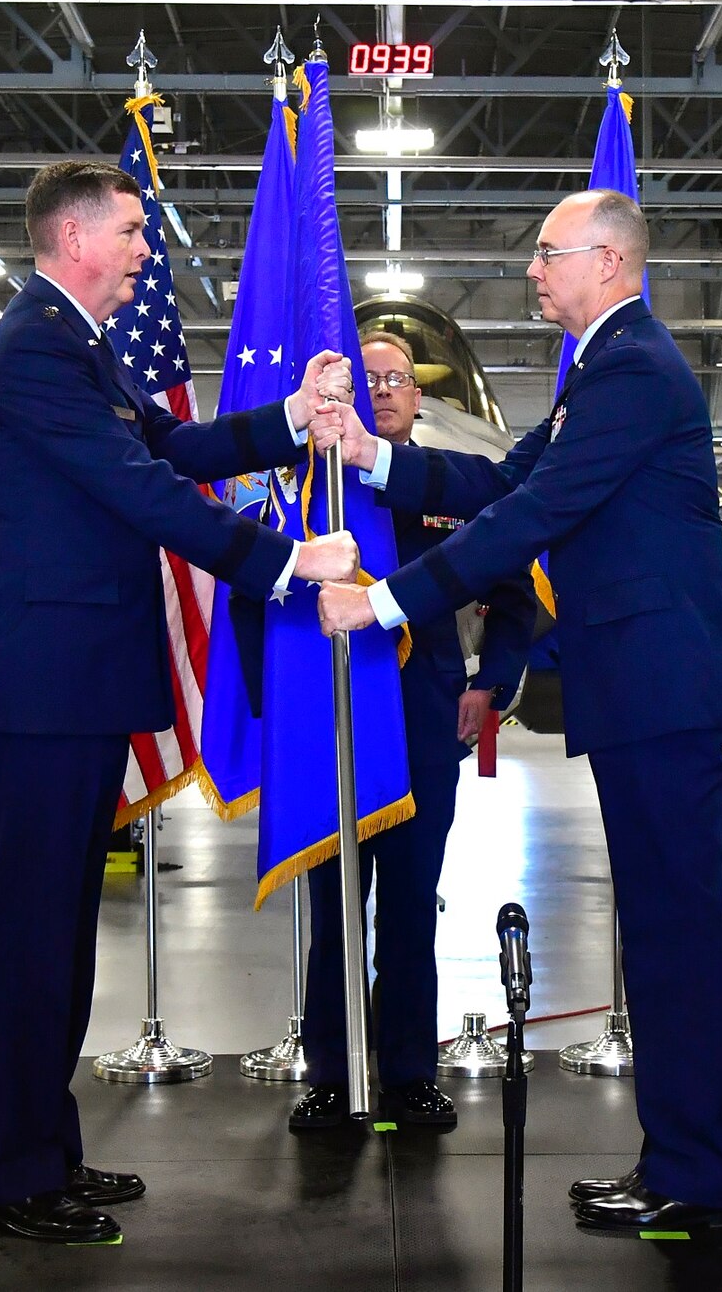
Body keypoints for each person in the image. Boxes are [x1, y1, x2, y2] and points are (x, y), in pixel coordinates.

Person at [316, 190, 722, 1235]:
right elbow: (503, 475)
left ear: (607, 261)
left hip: (659, 689)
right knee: (656, 935)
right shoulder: (599, 373)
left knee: (677, 939)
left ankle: (701, 1177)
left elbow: (530, 514)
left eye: (547, 254)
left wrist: (381, 601)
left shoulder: (633, 372)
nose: (531, 271)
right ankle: (679, 1163)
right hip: (638, 692)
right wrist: (372, 455)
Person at [0, 159, 359, 1245]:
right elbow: (142, 491)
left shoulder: (75, 347)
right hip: (39, 692)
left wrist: (287, 418)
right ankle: (9, 1176)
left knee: (60, 940)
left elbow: (171, 445)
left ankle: (46, 1151)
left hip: (68, 689)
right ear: (76, 237)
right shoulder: (36, 348)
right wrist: (286, 563)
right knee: (30, 944)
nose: (145, 248)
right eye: (133, 231)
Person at [287, 331, 537, 1133]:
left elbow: (513, 596)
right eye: (370, 378)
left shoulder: (449, 488)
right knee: (334, 911)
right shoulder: (315, 494)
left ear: (416, 397)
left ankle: (405, 1074)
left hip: (424, 726)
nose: (385, 390)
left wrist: (491, 684)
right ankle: (329, 1073)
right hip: (335, 731)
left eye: (397, 378)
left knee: (406, 909)